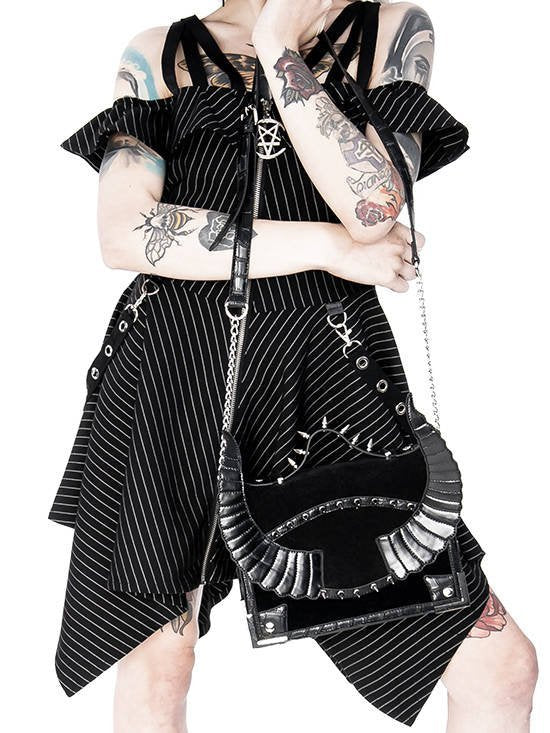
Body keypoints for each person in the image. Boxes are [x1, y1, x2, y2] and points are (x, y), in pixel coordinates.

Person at [48, 1, 538, 730]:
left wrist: (277, 40)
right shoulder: (160, 53)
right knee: (160, 660)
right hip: (173, 371)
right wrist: (327, 247)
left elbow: (374, 208)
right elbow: (126, 233)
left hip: (329, 376)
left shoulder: (388, 31)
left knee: (498, 665)